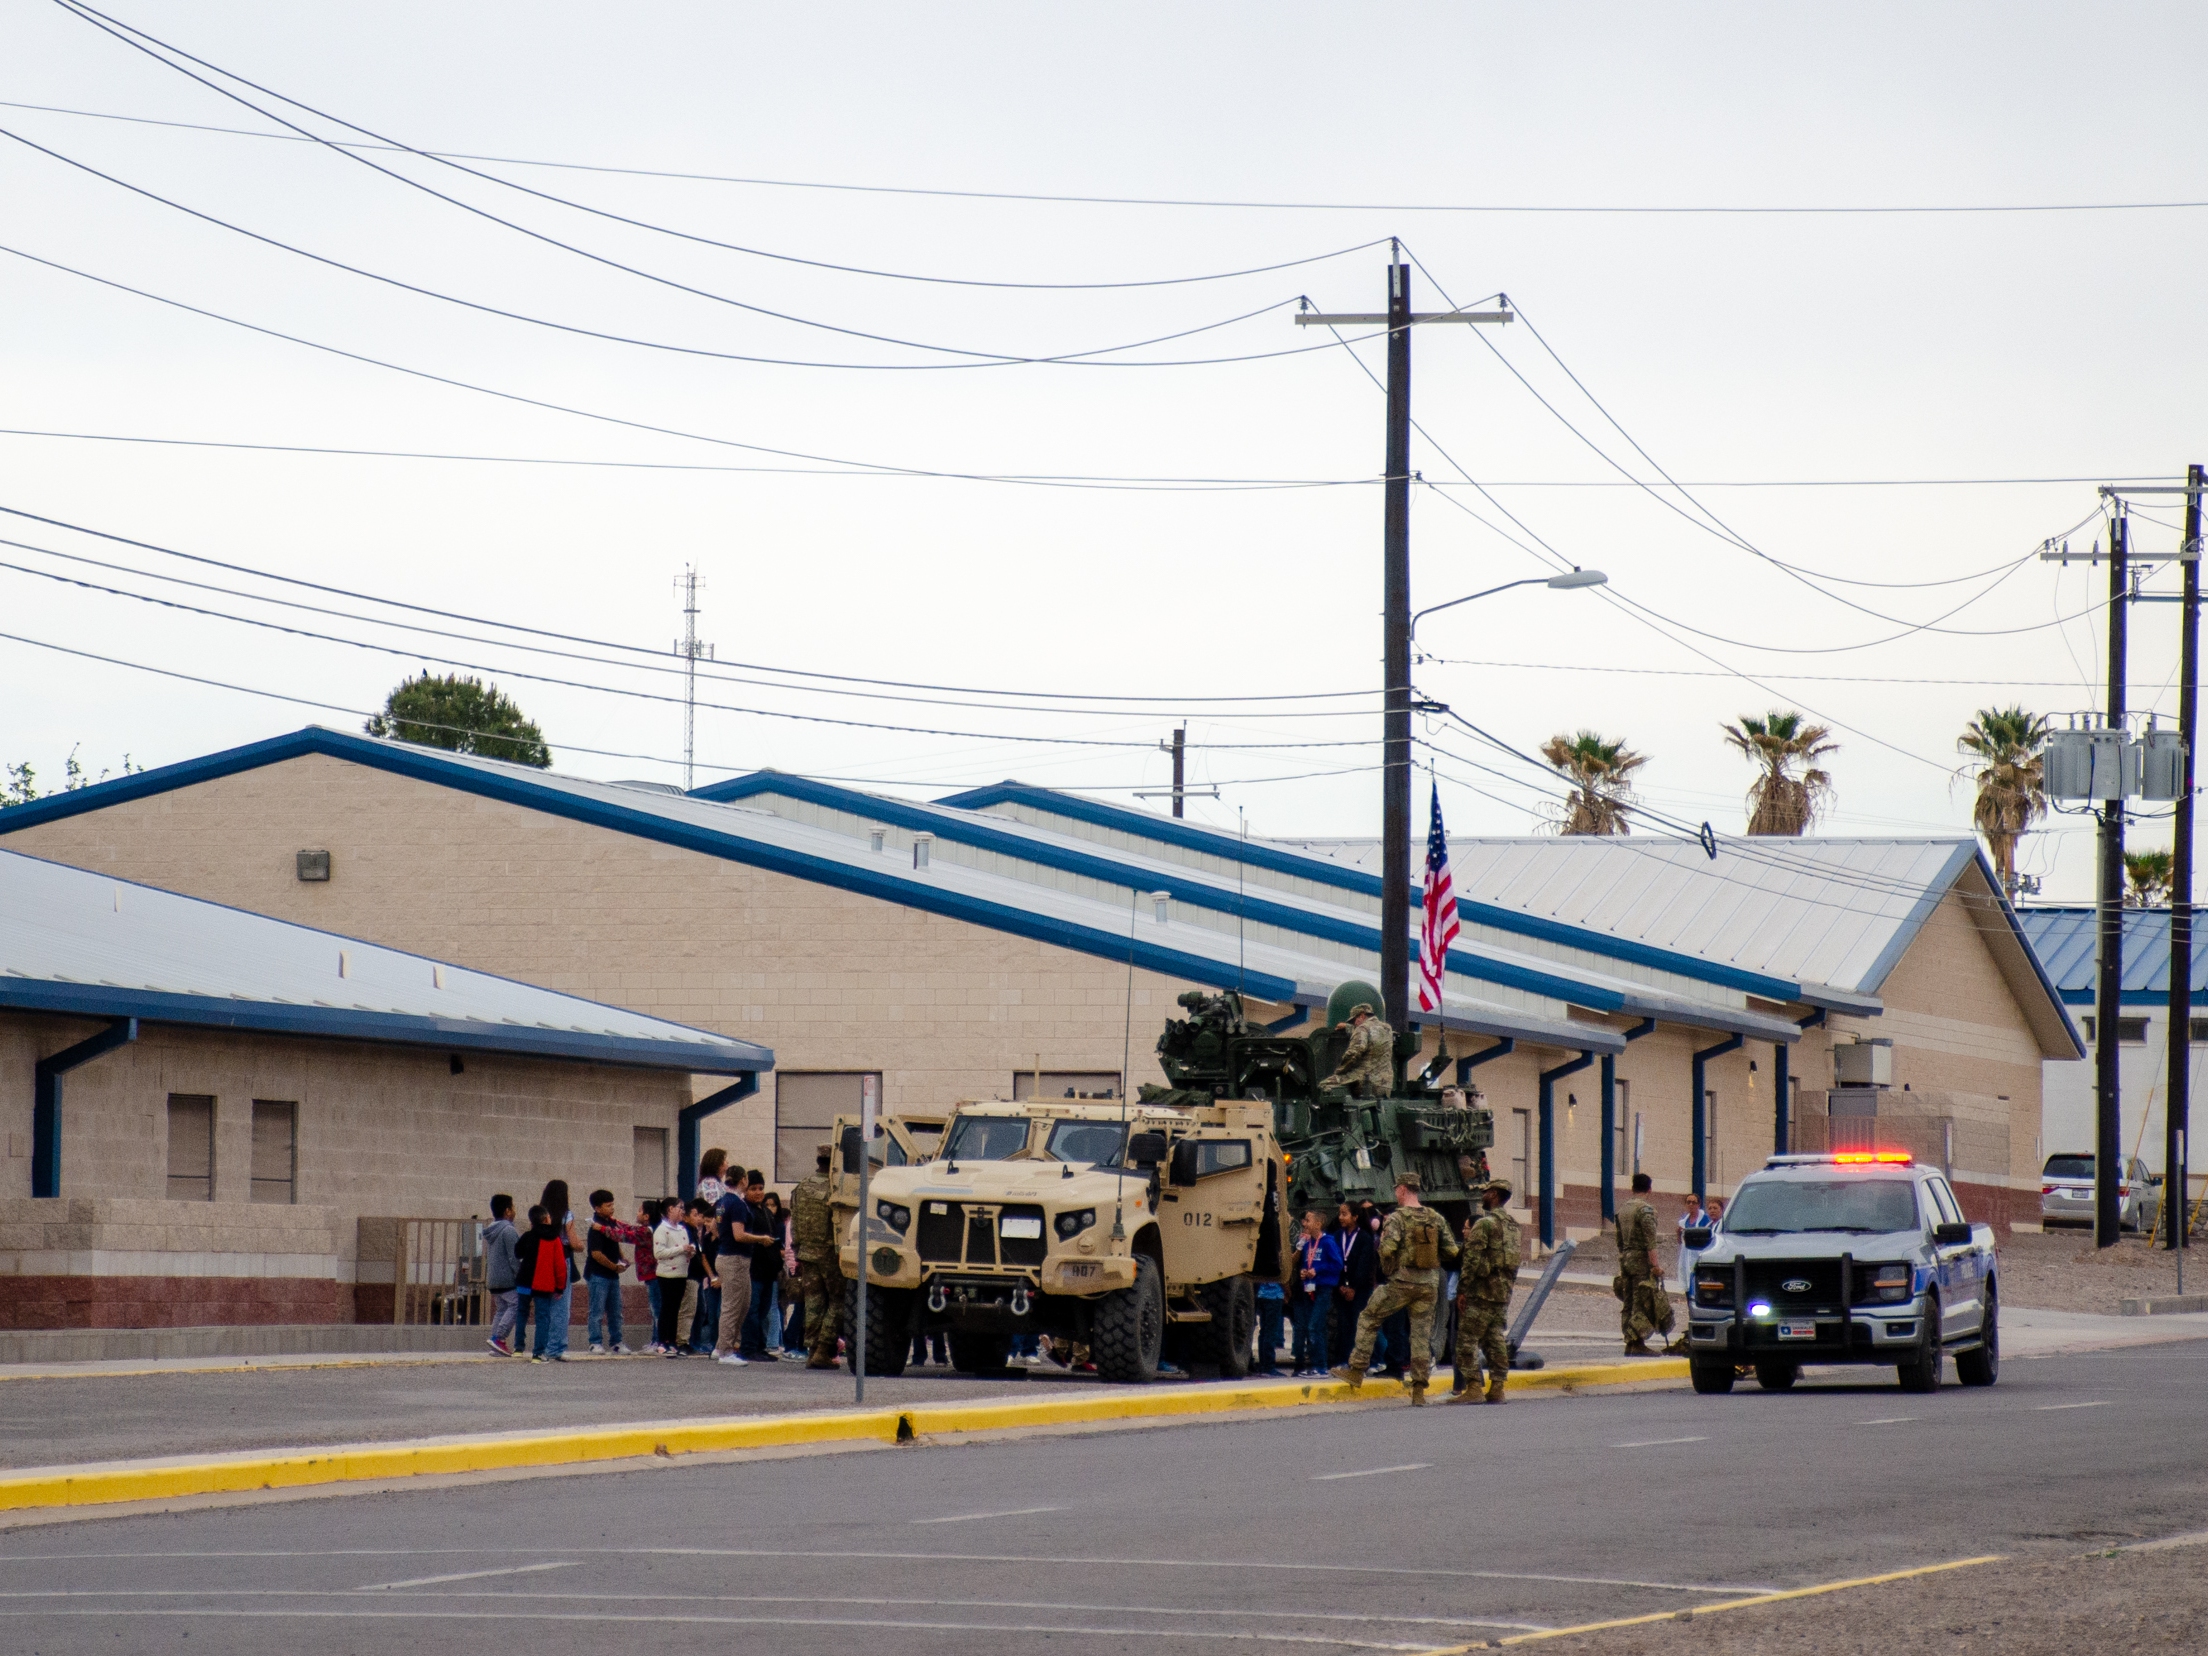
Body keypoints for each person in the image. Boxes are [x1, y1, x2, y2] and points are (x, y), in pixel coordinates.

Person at [1331, 1174, 1458, 1405]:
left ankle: (1357, 1369)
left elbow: (1387, 1250)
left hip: (1401, 1282)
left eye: (1396, 1188)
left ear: (1402, 1189)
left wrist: (1389, 1270)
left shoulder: (1397, 1218)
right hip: (1428, 1284)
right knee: (1420, 1335)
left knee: (1369, 1317)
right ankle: (1418, 1390)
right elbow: (1451, 1251)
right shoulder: (1436, 1218)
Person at [1449, 1177, 1522, 1405]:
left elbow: (1471, 1260)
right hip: (1502, 1293)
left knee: (1466, 1340)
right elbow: (1516, 1262)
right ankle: (1497, 1387)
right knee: (1494, 1340)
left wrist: (1462, 1290)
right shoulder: (1513, 1226)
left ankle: (1473, 1387)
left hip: (1481, 1292)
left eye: (1487, 1191)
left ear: (1494, 1195)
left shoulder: (1484, 1224)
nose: (1483, 1194)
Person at [790, 1143, 845, 1369]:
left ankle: (812, 1350)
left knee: (813, 1302)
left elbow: (794, 1221)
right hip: (831, 1253)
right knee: (837, 1301)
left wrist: (797, 1250)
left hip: (807, 1252)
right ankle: (823, 1349)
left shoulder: (801, 1187)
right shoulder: (837, 1188)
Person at [714, 1169, 774, 1365]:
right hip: (735, 1258)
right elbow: (739, 1234)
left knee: (744, 1304)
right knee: (732, 1306)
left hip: (731, 1257)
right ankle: (725, 1351)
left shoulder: (723, 1202)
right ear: (743, 1180)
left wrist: (722, 1237)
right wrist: (761, 1238)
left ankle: (722, 1344)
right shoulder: (737, 1204)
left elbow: (714, 1227)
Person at [1615, 1173, 1676, 1356]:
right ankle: (1637, 1341)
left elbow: (1619, 1240)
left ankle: (1629, 1339)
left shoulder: (1623, 1210)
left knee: (1628, 1301)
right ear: (1649, 1189)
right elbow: (1651, 1242)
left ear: (1632, 1188)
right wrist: (1655, 1266)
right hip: (1640, 1260)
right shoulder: (1646, 1210)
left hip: (1625, 1258)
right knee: (1641, 1300)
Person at [513, 1204, 570, 1362]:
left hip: (524, 1281)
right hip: (543, 1284)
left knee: (522, 1313)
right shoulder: (554, 1238)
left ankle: (518, 1348)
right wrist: (560, 1287)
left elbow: (517, 1252)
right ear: (546, 1219)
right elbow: (560, 1265)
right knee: (542, 1317)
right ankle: (538, 1354)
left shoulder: (527, 1236)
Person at [1295, 1209, 1344, 1376]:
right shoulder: (1308, 1244)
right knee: (1315, 1327)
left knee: (1314, 1326)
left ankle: (1320, 1365)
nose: (1304, 1223)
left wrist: (1318, 1270)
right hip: (1309, 1288)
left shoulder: (1328, 1242)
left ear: (1318, 1223)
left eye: (1308, 1220)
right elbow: (1306, 1263)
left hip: (1323, 1289)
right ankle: (1318, 1364)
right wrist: (1303, 1272)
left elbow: (1337, 1264)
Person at [585, 1189, 631, 1355]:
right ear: (597, 1208)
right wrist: (613, 1266)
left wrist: (623, 1258)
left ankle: (616, 1342)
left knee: (615, 1311)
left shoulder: (611, 1223)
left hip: (613, 1275)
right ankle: (595, 1342)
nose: (612, 1208)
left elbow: (615, 1241)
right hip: (598, 1274)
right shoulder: (596, 1227)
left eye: (613, 1204)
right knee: (596, 1311)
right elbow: (596, 1254)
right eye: (608, 1205)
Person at [538, 1180, 580, 1361]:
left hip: (543, 1260)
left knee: (545, 1306)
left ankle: (542, 1346)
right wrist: (581, 1246)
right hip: (562, 1258)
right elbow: (574, 1242)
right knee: (561, 1306)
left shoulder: (540, 1214)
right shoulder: (566, 1215)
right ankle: (556, 1347)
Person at [1332, 1200, 1378, 1366]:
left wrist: (1354, 1288)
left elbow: (1364, 1266)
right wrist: (1340, 1286)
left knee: (1357, 1324)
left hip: (1359, 1289)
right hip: (1340, 1288)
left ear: (1355, 1217)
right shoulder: (1337, 1236)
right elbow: (1334, 1262)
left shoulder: (1364, 1238)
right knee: (1343, 1324)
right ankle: (1343, 1359)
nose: (1341, 1217)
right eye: (1340, 1214)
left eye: (1344, 1214)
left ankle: (1363, 1360)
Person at [744, 1182, 784, 1360]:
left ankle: (761, 1346)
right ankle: (749, 1347)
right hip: (753, 1269)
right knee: (752, 1310)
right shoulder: (746, 1210)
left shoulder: (766, 1212)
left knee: (763, 1310)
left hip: (769, 1270)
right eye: (753, 1189)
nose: (758, 1192)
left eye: (761, 1188)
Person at [1321, 1001, 1396, 1098]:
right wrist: (1348, 1027)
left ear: (1362, 1016)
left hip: (1365, 1082)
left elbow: (1354, 1053)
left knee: (1324, 1085)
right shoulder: (1387, 1029)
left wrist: (1340, 1071)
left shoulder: (1362, 1029)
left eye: (1354, 1020)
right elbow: (1372, 1034)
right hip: (1385, 1085)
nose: (1355, 1023)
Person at [651, 1199, 696, 1356]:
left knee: (676, 1308)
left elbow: (686, 1247)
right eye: (680, 1208)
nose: (683, 1211)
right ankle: (663, 1341)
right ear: (670, 1209)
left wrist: (690, 1251)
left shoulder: (682, 1229)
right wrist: (680, 1249)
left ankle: (672, 1340)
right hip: (667, 1274)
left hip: (681, 1273)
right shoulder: (662, 1230)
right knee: (667, 1308)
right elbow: (659, 1253)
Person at [482, 1194, 520, 1356]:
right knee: (516, 1305)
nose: (515, 1211)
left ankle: (495, 1344)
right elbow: (514, 1257)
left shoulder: (492, 1230)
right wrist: (520, 1275)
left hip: (494, 1278)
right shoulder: (508, 1230)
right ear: (507, 1211)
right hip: (507, 1278)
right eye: (513, 1208)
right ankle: (500, 1338)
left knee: (501, 1309)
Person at [1254, 1275, 1285, 1375]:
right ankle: (1269, 1366)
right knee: (1271, 1332)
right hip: (1274, 1295)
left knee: (1263, 1332)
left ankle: (1263, 1365)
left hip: (1261, 1294)